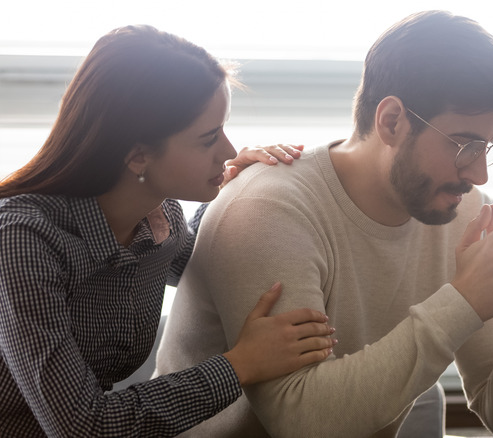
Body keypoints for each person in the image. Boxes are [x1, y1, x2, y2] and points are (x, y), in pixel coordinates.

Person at [157, 10, 493, 438]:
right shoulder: (268, 210)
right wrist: (464, 302)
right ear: (392, 121)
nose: (479, 174)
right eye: (465, 145)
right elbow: (299, 421)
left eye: (489, 146)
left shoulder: (461, 211)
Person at [0, 25, 337, 437]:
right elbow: (85, 427)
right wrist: (240, 365)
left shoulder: (161, 219)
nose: (230, 150)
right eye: (208, 138)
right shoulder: (22, 240)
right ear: (138, 155)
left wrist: (240, 190)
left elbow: (204, 264)